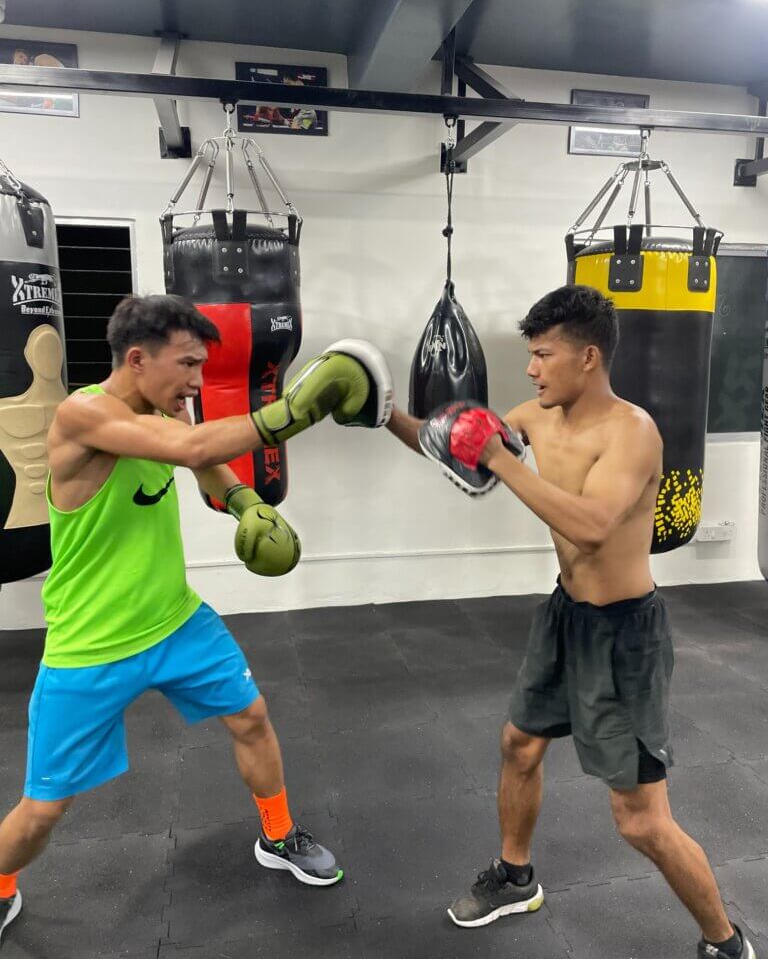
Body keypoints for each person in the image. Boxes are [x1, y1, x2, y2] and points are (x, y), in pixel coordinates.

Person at [0, 294, 391, 945]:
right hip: (89, 646)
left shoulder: (161, 412)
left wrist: (241, 502)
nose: (195, 379)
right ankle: (2, 885)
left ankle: (278, 835)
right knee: (43, 810)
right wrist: (297, 409)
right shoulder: (83, 414)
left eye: (202, 365)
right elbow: (194, 442)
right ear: (136, 358)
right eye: (187, 363)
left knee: (252, 717)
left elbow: (199, 458)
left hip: (177, 622)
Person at [386, 285, 755, 959]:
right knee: (519, 744)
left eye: (542, 355)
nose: (531, 369)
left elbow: (588, 527)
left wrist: (498, 456)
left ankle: (726, 941)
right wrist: (382, 413)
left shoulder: (633, 432)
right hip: (565, 616)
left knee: (640, 822)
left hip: (625, 638)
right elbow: (452, 445)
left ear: (588, 357)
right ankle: (514, 876)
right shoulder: (534, 415)